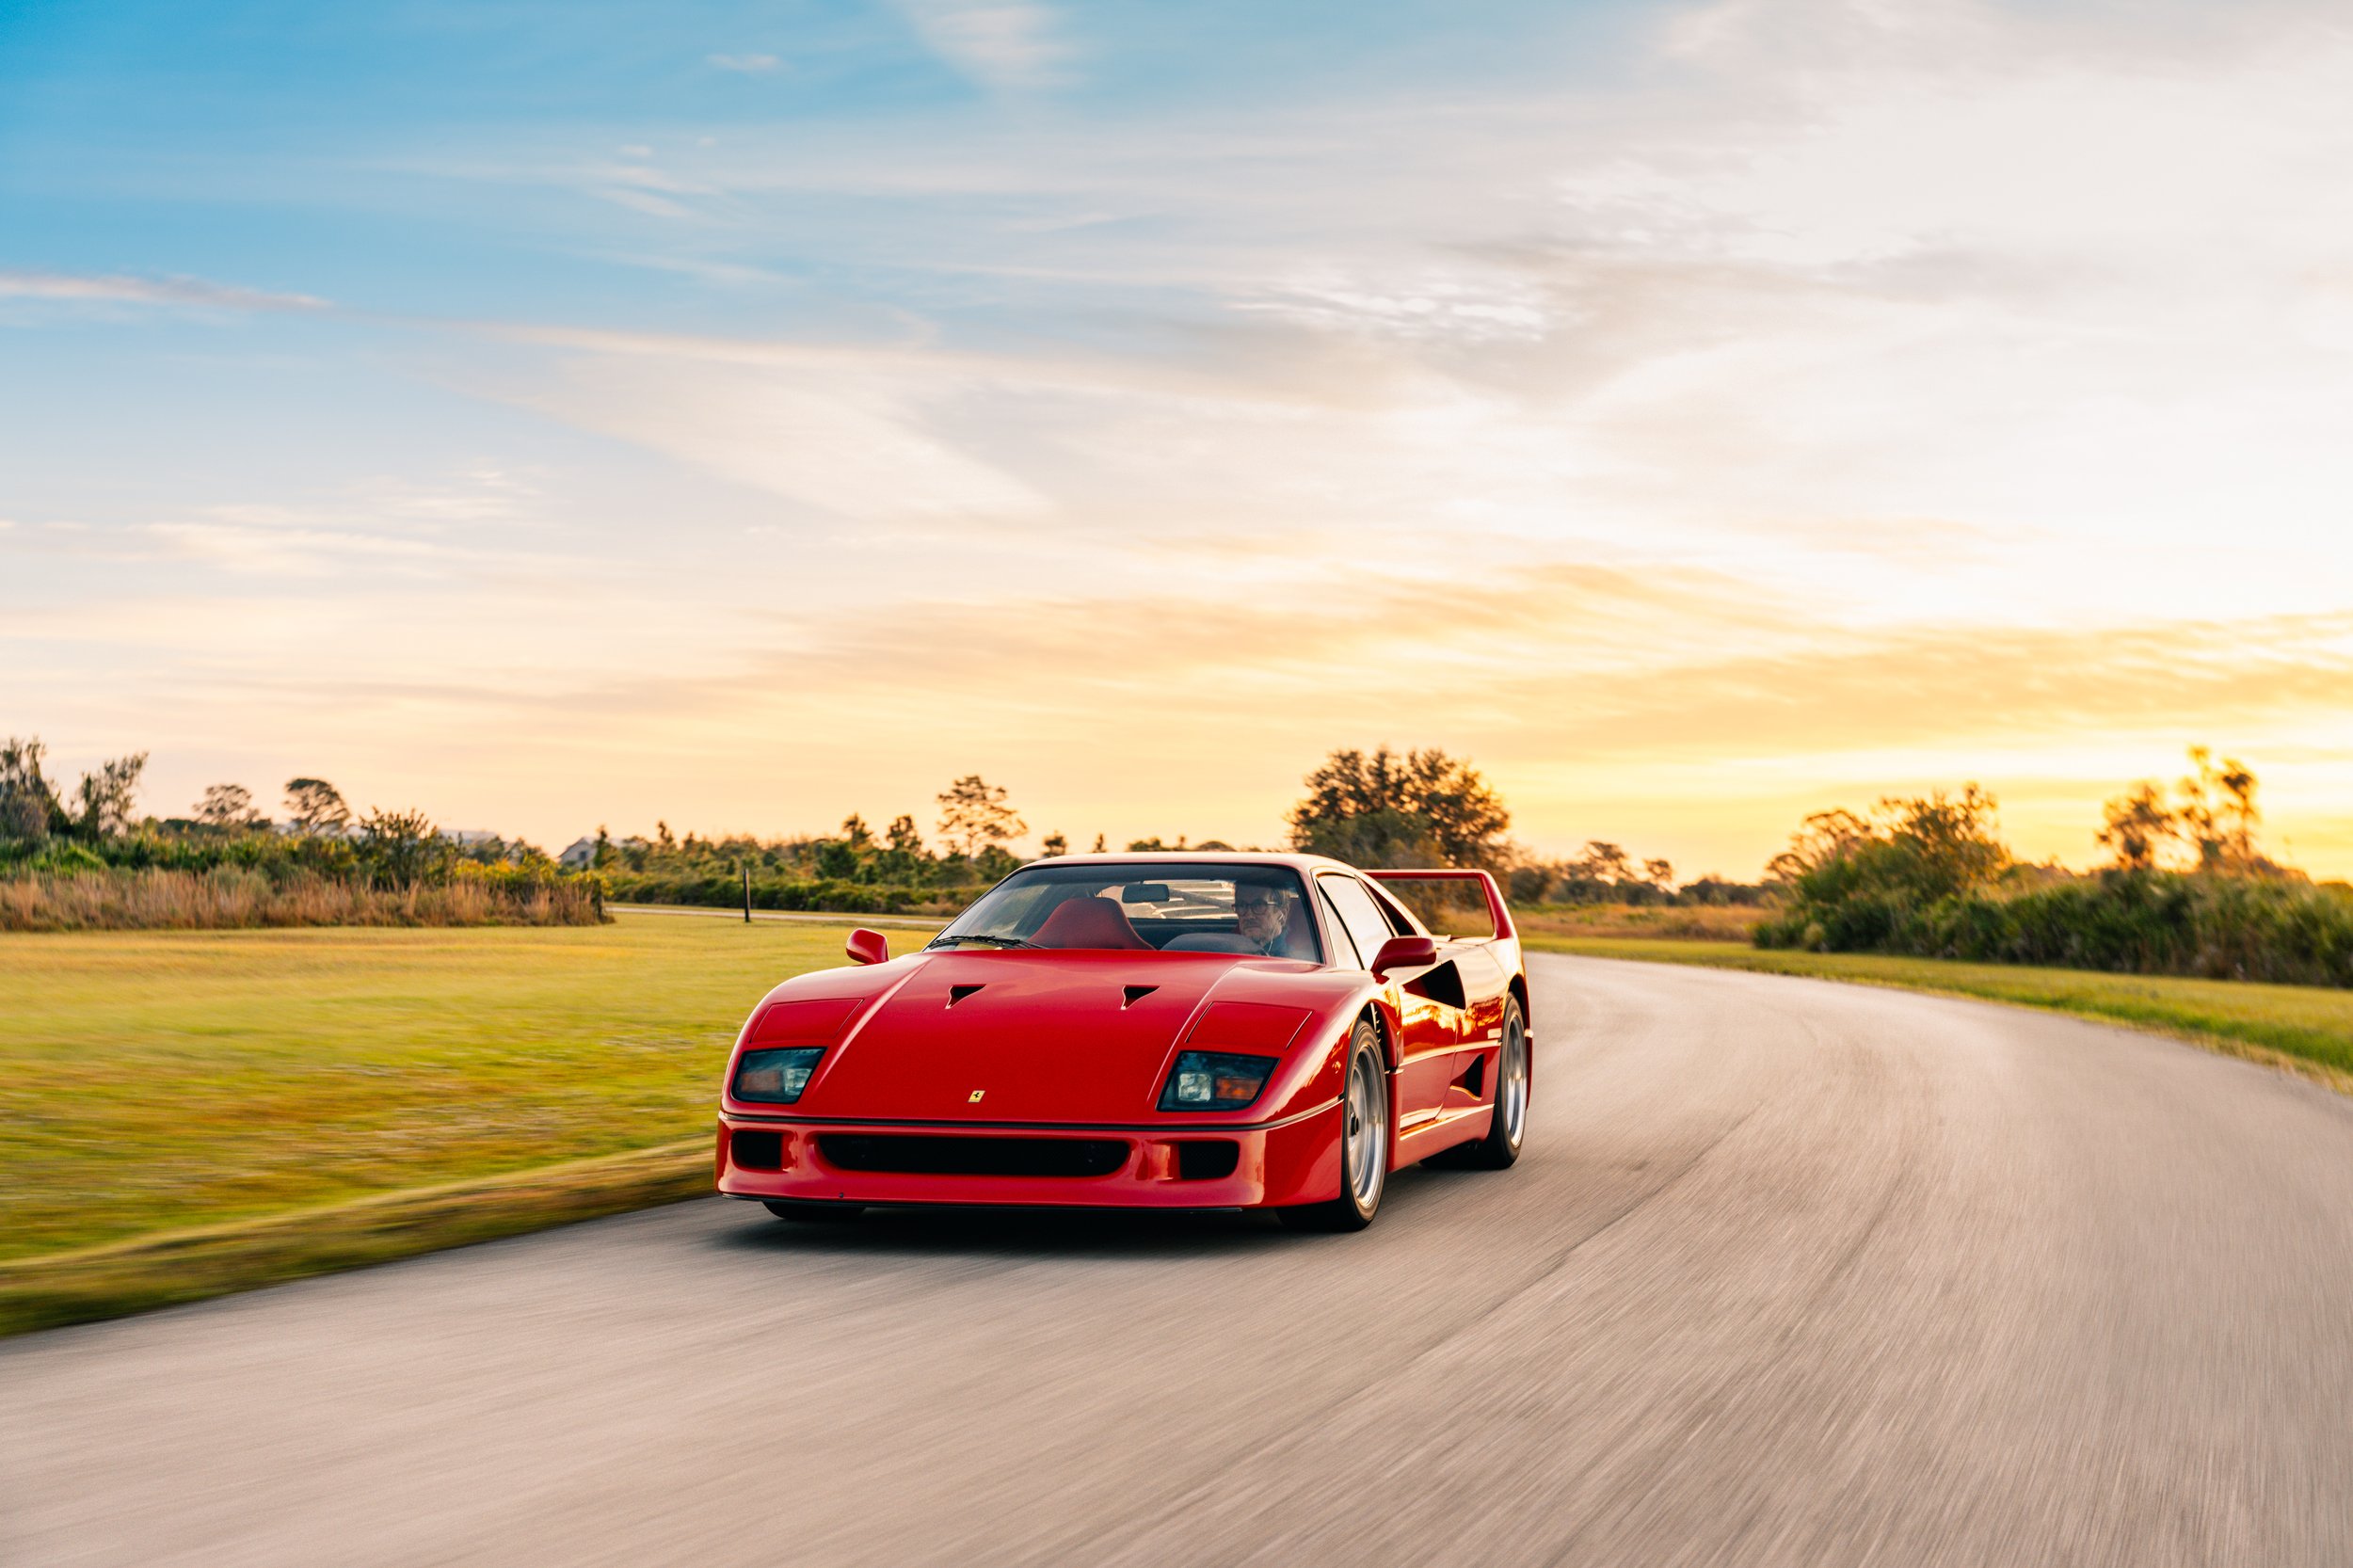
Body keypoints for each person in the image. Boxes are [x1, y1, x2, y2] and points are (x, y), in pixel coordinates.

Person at [1234, 881, 1301, 955]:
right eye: (1242, 905)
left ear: (1283, 913)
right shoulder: (1227, 952)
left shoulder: (1294, 962)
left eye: (1259, 905)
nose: (1249, 916)